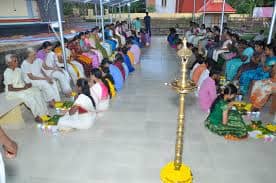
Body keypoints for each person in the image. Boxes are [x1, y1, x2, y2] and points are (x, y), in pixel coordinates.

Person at [4, 54, 48, 122]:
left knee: (37, 92)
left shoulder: (18, 70)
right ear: (9, 63)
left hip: (20, 88)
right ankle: (37, 116)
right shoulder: (7, 72)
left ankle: (44, 113)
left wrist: (27, 85)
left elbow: (22, 81)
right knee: (29, 97)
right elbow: (10, 88)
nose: (17, 62)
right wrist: (24, 88)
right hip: (12, 92)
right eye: (15, 61)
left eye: (16, 60)